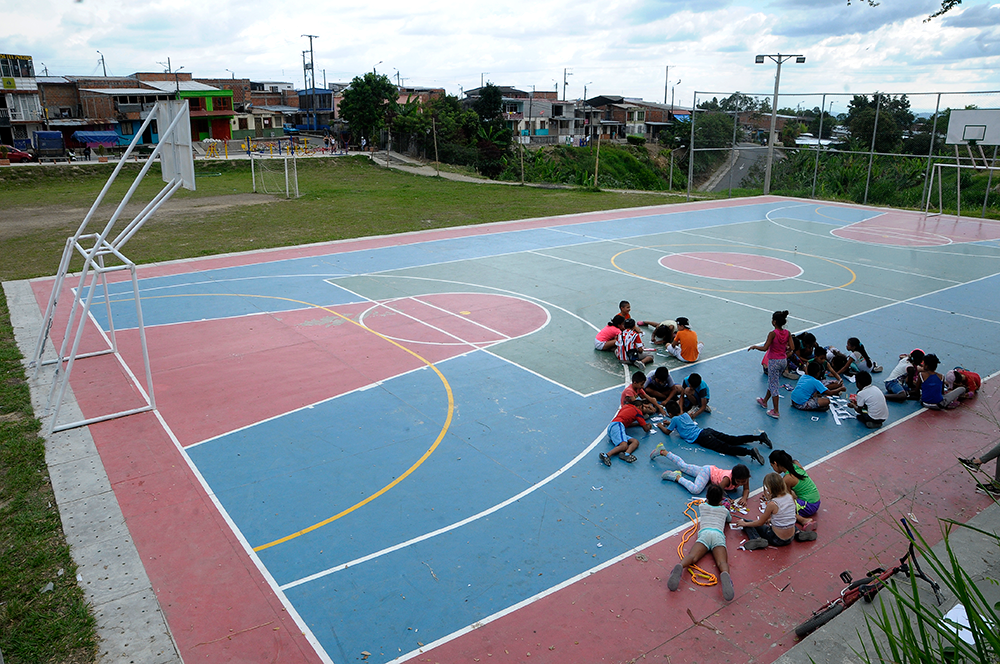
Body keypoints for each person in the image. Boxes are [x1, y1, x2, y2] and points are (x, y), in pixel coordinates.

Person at [667, 483, 736, 601]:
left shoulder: (702, 506)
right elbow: (729, 519)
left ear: (707, 497)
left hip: (704, 534)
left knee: (692, 556)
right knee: (721, 562)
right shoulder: (724, 510)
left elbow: (706, 502)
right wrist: (725, 505)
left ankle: (680, 566)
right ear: (721, 499)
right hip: (718, 536)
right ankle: (725, 575)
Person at [657, 401, 769, 465]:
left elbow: (667, 432)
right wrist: (670, 422)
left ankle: (749, 452)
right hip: (706, 431)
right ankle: (759, 437)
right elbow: (681, 423)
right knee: (732, 439)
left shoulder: (675, 420)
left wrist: (661, 425)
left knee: (725, 448)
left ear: (670, 414)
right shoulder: (685, 415)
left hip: (702, 438)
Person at [651, 445, 752, 505]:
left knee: (683, 466)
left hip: (709, 470)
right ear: (734, 477)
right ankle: (677, 477)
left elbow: (746, 489)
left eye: (744, 481)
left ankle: (663, 451)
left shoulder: (744, 478)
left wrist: (744, 498)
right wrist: (724, 500)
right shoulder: (727, 479)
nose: (743, 483)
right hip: (707, 472)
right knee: (696, 490)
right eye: (740, 481)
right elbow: (718, 490)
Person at [733, 473, 800, 549]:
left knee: (747, 523)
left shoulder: (773, 504)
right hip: (790, 537)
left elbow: (760, 523)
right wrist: (771, 519)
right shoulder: (790, 497)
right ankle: (798, 533)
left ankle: (756, 539)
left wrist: (745, 524)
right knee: (788, 520)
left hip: (777, 539)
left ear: (768, 489)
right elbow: (789, 514)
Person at [748, 310, 794, 420]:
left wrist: (755, 346)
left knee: (774, 386)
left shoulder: (772, 334)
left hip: (774, 362)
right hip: (783, 361)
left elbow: (765, 348)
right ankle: (764, 401)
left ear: (774, 322)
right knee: (773, 381)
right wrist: (784, 351)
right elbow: (792, 347)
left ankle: (776, 411)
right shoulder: (788, 333)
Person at [767, 450, 819, 537]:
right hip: (815, 501)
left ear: (775, 463)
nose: (773, 468)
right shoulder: (795, 465)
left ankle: (804, 520)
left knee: (783, 508)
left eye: (772, 466)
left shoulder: (787, 479)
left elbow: (787, 499)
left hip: (808, 505)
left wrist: (771, 497)